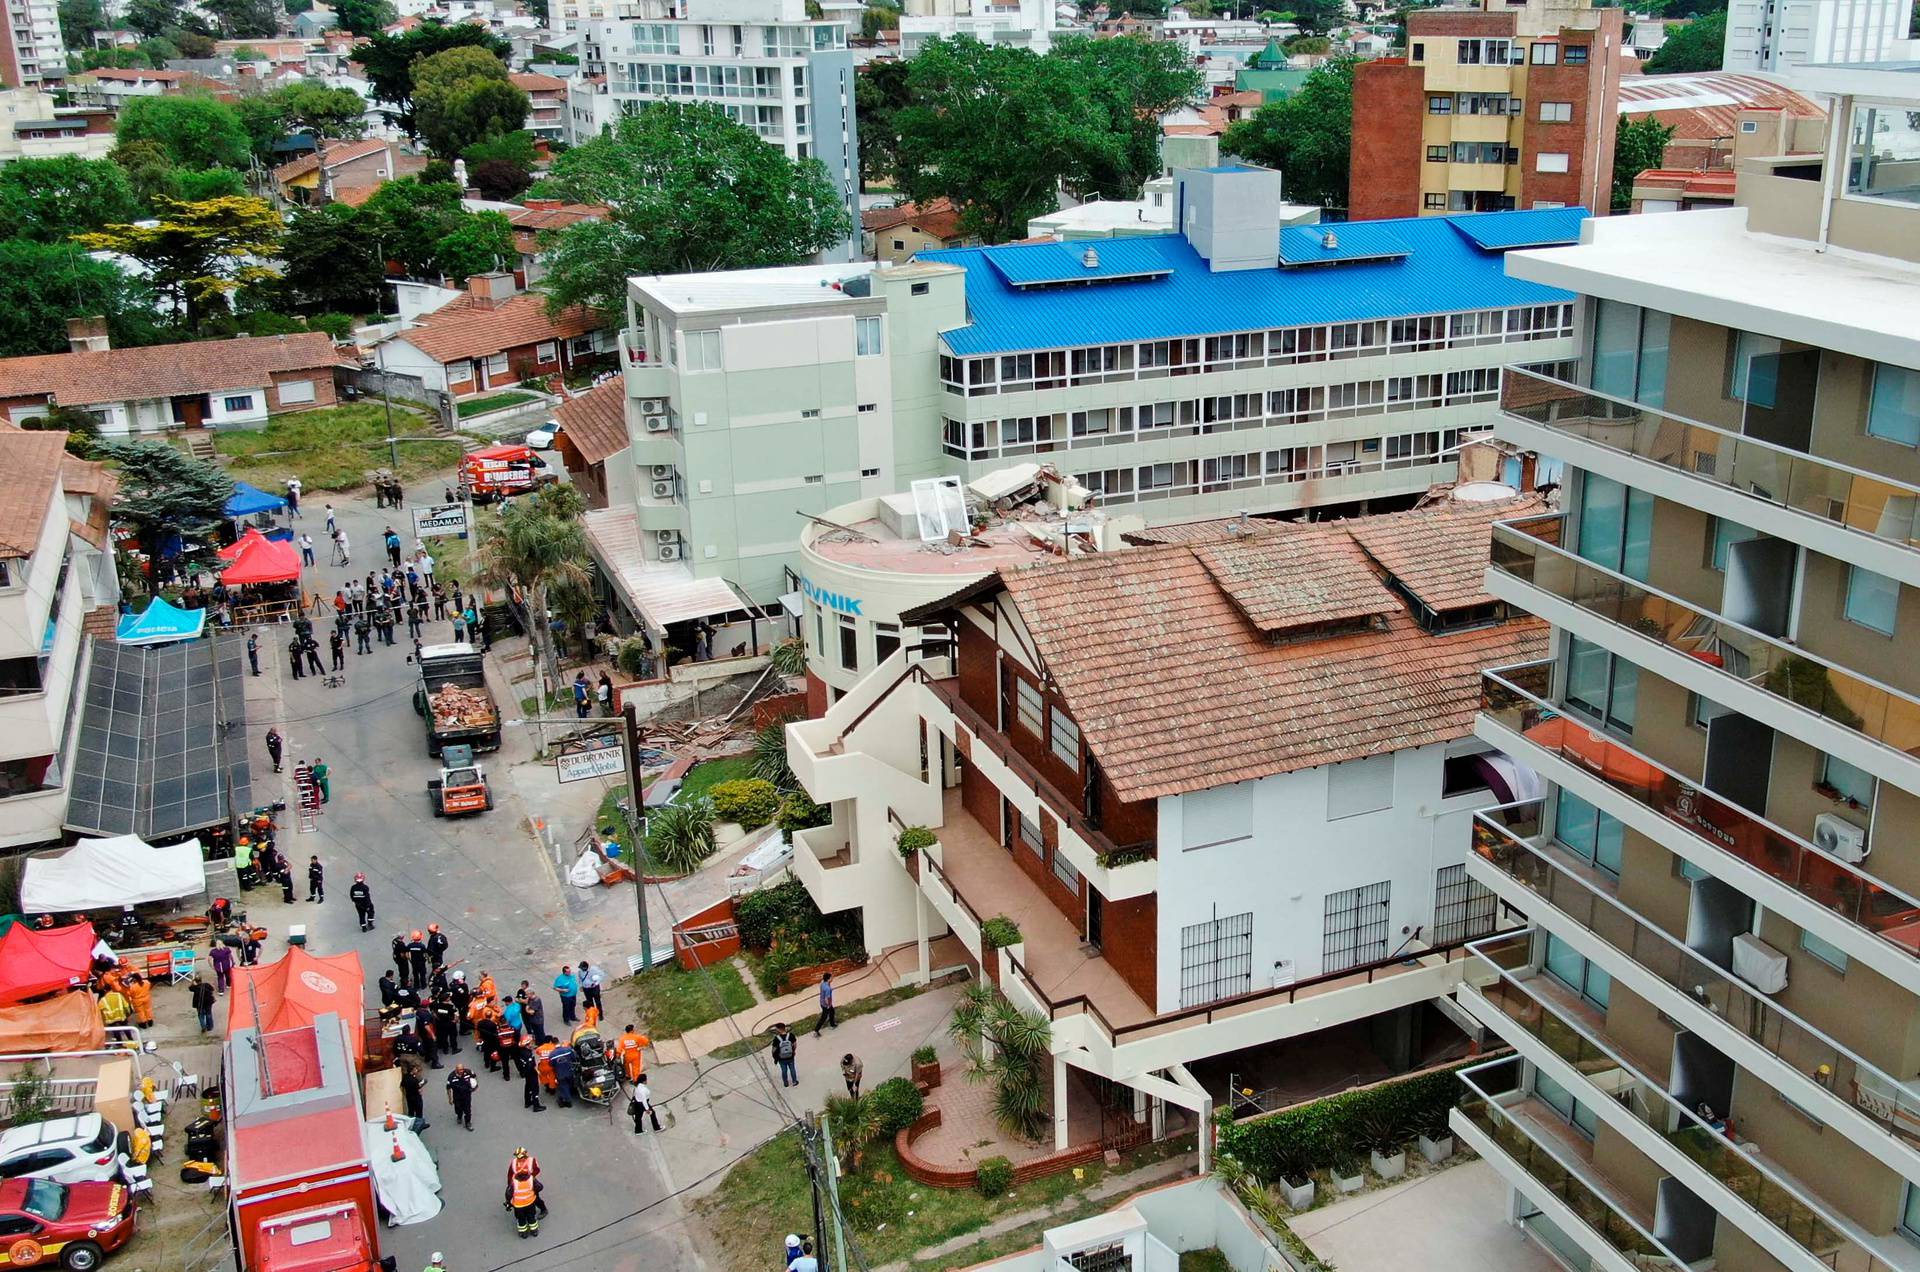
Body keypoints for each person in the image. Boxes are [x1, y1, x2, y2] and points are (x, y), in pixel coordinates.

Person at [505, 1154, 542, 1238]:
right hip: (530, 1203)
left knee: (521, 1219)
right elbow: (540, 1187)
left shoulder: (514, 1182)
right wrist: (533, 1191)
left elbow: (508, 1193)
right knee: (531, 1217)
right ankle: (534, 1231)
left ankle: (523, 1233)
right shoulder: (531, 1179)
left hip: (518, 1206)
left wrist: (508, 1203)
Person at [446, 1064, 477, 1132]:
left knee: (467, 1109)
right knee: (458, 1108)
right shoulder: (451, 1076)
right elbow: (448, 1088)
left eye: (462, 1069)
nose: (461, 1071)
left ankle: (468, 1123)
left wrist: (475, 1086)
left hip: (467, 1094)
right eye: (460, 1070)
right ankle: (459, 1116)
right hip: (457, 1096)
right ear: (456, 1069)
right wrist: (450, 1099)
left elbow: (474, 1076)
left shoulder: (468, 1072)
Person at [516, 1042, 545, 1112]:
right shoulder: (528, 1054)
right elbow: (530, 1066)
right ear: (526, 1045)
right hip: (531, 1073)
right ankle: (536, 1106)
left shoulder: (521, 1051)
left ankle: (528, 1102)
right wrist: (536, 1071)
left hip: (526, 1073)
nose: (531, 1045)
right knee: (535, 1089)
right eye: (529, 1044)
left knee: (528, 1087)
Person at [548, 1039, 574, 1109]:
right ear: (559, 1042)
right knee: (570, 1083)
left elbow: (551, 1064)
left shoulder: (552, 1055)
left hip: (560, 1074)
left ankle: (568, 1102)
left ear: (552, 1043)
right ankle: (572, 1092)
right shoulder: (567, 1050)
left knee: (563, 1087)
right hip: (570, 1071)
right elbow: (574, 1058)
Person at [770, 1023, 798, 1088]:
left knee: (784, 1070)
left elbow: (773, 1050)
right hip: (790, 1056)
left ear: (779, 1029)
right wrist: (793, 1051)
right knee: (792, 1069)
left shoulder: (776, 1038)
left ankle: (786, 1083)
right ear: (784, 1028)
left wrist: (774, 1056)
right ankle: (794, 1082)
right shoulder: (791, 1035)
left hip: (781, 1058)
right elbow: (795, 1044)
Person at [400, 1064, 427, 1129]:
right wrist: (421, 1091)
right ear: (412, 1071)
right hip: (416, 1098)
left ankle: (410, 1124)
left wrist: (404, 1094)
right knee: (419, 1111)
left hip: (409, 1097)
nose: (416, 1070)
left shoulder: (405, 1077)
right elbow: (419, 1089)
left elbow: (401, 1087)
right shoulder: (414, 1080)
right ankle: (420, 1125)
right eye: (415, 1069)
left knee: (411, 1110)